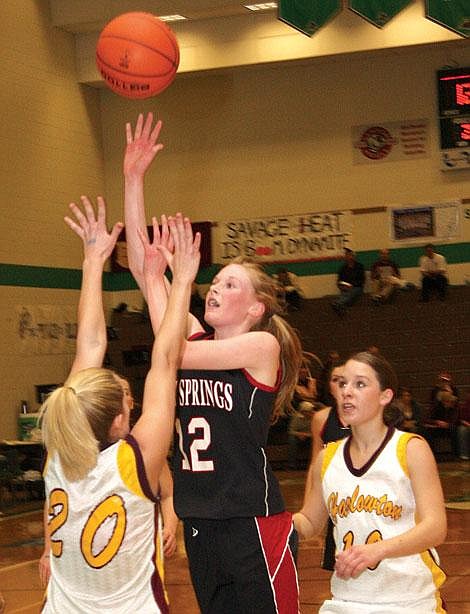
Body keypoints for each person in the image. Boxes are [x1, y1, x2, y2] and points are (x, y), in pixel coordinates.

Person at [124, 112, 302, 614]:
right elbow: (143, 267)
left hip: (252, 519)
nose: (217, 288)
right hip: (199, 516)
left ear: (255, 308)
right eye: (216, 280)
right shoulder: (193, 338)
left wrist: (179, 284)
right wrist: (133, 179)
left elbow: (172, 351)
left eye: (230, 284)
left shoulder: (261, 347)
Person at [39, 196, 200, 613]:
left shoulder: (58, 453)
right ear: (116, 422)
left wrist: (93, 262)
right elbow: (166, 360)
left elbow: (90, 344)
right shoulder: (133, 462)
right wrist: (181, 281)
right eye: (127, 408)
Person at [295, 351, 447, 614]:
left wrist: (377, 551)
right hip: (347, 599)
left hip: (408, 600)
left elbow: (435, 527)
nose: (347, 392)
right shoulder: (326, 458)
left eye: (360, 384)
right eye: (342, 383)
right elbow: (309, 522)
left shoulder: (410, 449)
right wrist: (265, 521)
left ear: (385, 396)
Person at [305, 364, 351, 570]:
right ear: (330, 387)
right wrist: (309, 508)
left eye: (345, 378)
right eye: (335, 380)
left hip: (367, 500)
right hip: (337, 502)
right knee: (339, 567)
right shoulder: (321, 419)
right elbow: (315, 465)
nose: (341, 384)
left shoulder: (370, 416)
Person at [331, 248, 365, 315]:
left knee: (350, 292)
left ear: (354, 257)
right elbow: (339, 281)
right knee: (345, 293)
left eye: (350, 255)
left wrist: (352, 285)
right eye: (347, 256)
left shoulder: (360, 267)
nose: (349, 257)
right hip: (345, 288)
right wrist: (343, 286)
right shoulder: (343, 269)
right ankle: (340, 305)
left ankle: (338, 303)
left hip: (357, 288)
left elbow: (362, 280)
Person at [456, 391, 470, 460]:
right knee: (462, 430)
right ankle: (464, 454)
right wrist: (468, 424)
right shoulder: (465, 406)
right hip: (467, 425)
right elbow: (461, 419)